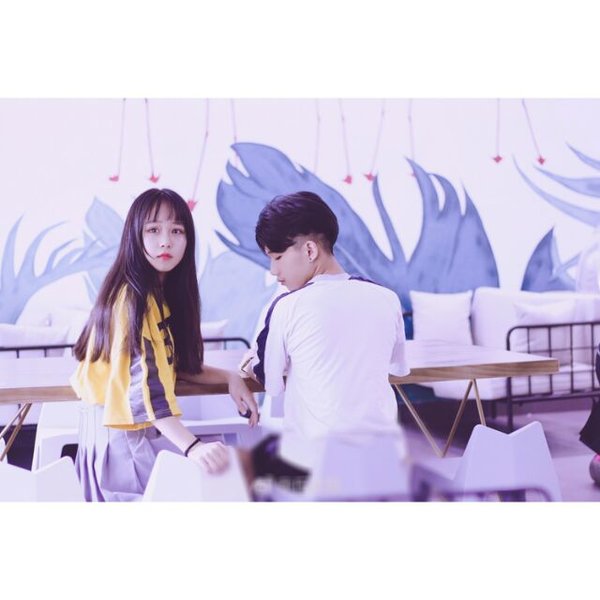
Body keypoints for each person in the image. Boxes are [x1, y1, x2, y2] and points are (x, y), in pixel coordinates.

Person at [71, 188, 259, 501]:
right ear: (135, 236)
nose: (165, 242)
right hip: (123, 441)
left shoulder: (155, 295)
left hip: (135, 432)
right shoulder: (132, 301)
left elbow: (172, 367)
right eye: (153, 230)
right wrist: (193, 447)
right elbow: (146, 393)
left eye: (176, 231)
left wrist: (230, 378)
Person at [240, 191, 410, 493]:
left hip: (319, 480)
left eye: (277, 258)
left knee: (242, 465)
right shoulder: (387, 298)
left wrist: (251, 363)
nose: (274, 271)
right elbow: (397, 367)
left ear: (309, 250)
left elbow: (271, 382)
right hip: (385, 469)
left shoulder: (288, 305)